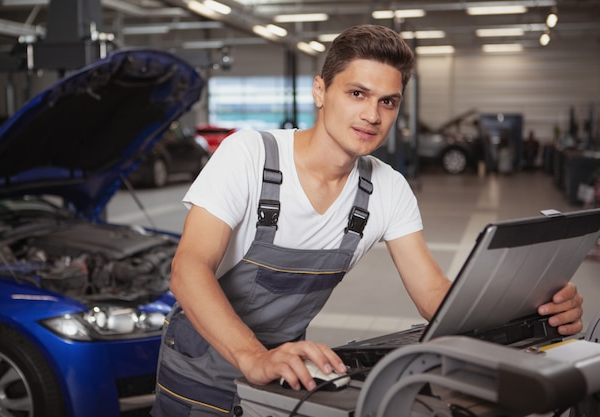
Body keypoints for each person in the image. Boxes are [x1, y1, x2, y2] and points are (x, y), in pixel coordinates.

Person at [150, 24, 583, 417]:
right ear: (321, 91)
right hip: (199, 374)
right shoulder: (249, 155)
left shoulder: (386, 188)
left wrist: (533, 309)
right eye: (357, 93)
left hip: (285, 375)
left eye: (387, 102)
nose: (373, 116)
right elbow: (188, 270)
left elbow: (434, 295)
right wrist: (253, 356)